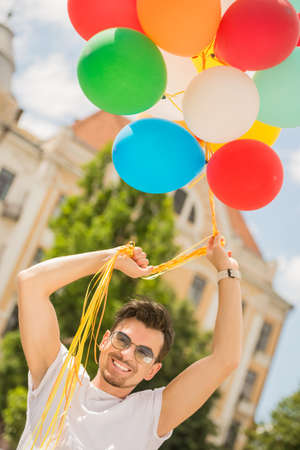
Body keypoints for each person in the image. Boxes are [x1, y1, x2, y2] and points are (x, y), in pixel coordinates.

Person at [17, 233, 243, 449]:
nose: (126, 355)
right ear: (105, 340)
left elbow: (225, 359)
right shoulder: (60, 377)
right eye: (123, 340)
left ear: (152, 371)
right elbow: (31, 283)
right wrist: (112, 258)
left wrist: (228, 271)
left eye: (143, 353)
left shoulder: (148, 417)